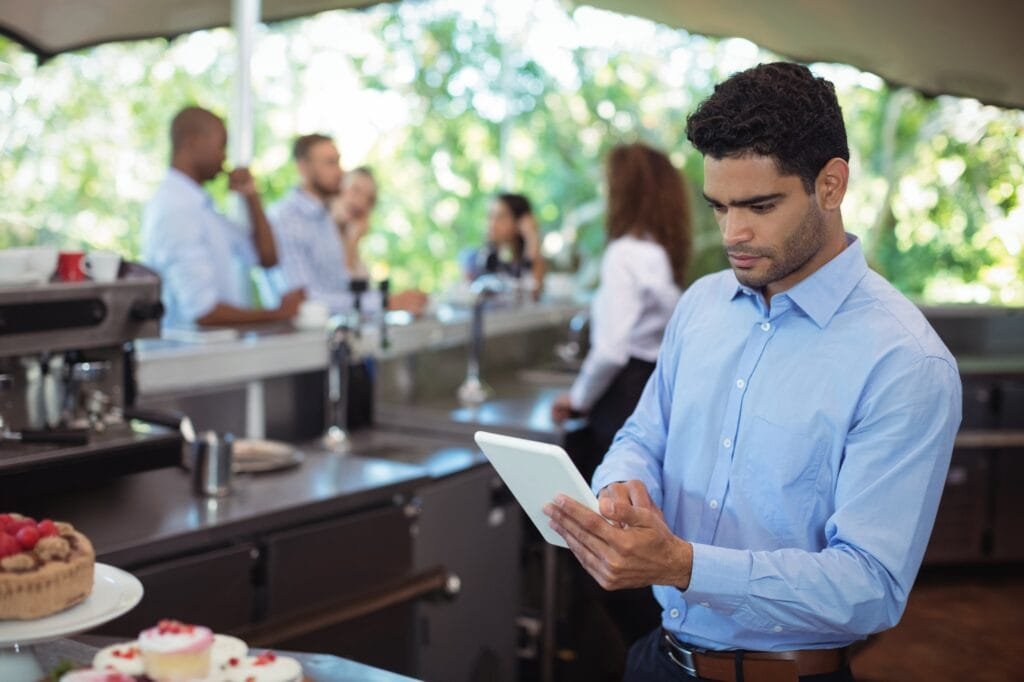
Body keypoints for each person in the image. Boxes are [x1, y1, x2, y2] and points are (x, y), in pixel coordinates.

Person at [543, 62, 962, 682]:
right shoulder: (702, 305)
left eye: (760, 205)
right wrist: (619, 486)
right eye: (719, 207)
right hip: (657, 660)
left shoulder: (905, 362)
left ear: (831, 185)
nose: (734, 233)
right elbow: (641, 436)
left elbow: (870, 585)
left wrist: (683, 565)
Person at [142, 106, 303, 327]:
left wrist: (251, 196)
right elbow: (204, 313)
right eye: (222, 145)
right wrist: (280, 313)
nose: (224, 157)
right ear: (194, 142)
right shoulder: (176, 209)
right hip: (188, 358)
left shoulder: (202, 208)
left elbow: (267, 257)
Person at [270, 135, 427, 315]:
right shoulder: (285, 219)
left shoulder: (324, 218)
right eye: (331, 163)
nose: (340, 172)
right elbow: (305, 300)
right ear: (303, 167)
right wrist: (384, 301)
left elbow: (342, 288)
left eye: (338, 162)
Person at [462, 193, 546, 295]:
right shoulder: (475, 258)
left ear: (520, 221)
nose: (492, 223)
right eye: (490, 216)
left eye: (501, 217)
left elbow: (535, 292)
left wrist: (532, 236)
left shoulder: (528, 259)